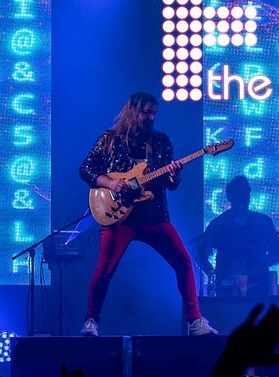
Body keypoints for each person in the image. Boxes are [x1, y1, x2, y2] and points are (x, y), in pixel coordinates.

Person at [78, 92, 216, 337]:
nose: (151, 118)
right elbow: (86, 169)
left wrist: (174, 174)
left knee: (183, 262)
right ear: (133, 111)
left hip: (154, 215)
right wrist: (110, 183)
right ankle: (91, 321)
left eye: (154, 113)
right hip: (120, 216)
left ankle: (195, 321)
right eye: (146, 112)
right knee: (104, 269)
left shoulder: (160, 141)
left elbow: (171, 185)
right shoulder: (109, 139)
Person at [195, 175, 279, 296]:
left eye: (244, 193)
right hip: (228, 290)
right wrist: (214, 276)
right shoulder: (219, 224)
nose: (243, 198)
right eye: (239, 194)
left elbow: (277, 255)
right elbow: (200, 256)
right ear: (229, 196)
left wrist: (256, 266)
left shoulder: (263, 222)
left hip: (257, 289)